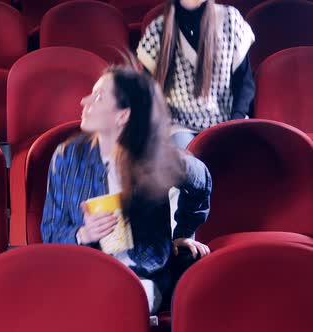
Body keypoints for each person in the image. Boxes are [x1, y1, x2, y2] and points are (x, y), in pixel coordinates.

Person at [41, 66, 212, 314]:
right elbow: (50, 231)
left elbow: (201, 183)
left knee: (122, 304)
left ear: (123, 116)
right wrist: (82, 234)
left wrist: (183, 232)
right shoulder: (67, 156)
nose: (84, 101)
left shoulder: (157, 157)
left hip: (143, 279)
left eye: (99, 97)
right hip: (85, 273)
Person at [137, 0, 255, 149]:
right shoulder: (157, 30)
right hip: (180, 126)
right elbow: (148, 93)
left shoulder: (230, 19)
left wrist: (234, 123)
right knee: (189, 163)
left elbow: (245, 84)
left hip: (229, 119)